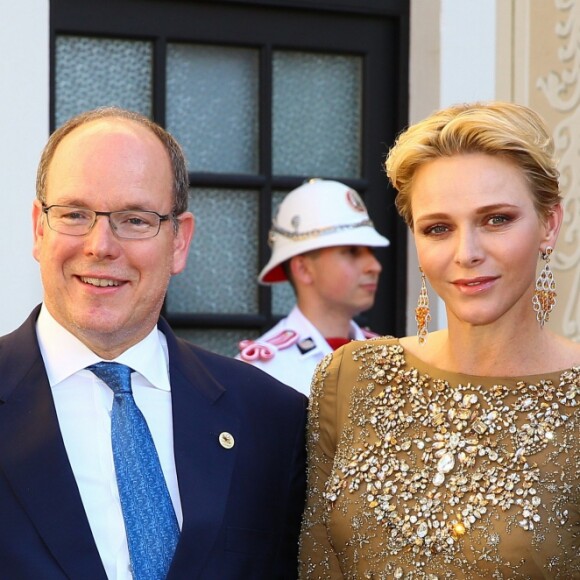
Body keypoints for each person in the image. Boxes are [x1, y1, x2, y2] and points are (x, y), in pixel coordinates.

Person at [0, 107, 307, 580]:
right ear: (39, 229)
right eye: (75, 214)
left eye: (135, 219)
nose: (101, 245)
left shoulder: (272, 421)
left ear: (179, 241)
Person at [299, 102, 580, 578]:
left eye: (496, 220)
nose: (466, 253)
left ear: (549, 225)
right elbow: (316, 563)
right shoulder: (351, 378)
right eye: (438, 228)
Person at [237, 179, 390, 395]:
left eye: (371, 252)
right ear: (303, 269)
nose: (374, 266)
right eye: (352, 251)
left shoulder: (390, 357)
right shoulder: (260, 371)